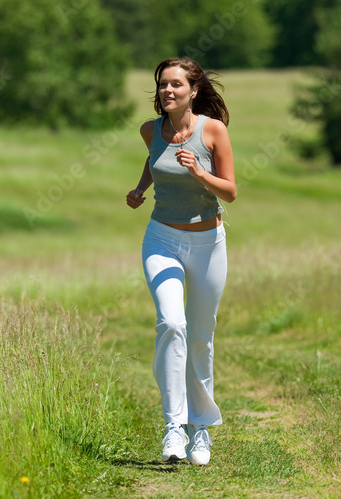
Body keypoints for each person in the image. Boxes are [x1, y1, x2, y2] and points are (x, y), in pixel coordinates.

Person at [126, 57, 237, 465]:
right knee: (172, 324)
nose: (167, 91)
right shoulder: (150, 130)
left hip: (208, 242)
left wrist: (200, 174)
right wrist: (140, 189)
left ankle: (201, 430)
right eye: (162, 85)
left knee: (201, 337)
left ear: (193, 90)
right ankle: (174, 427)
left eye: (175, 85)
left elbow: (230, 191)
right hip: (162, 238)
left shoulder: (213, 130)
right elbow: (155, 159)